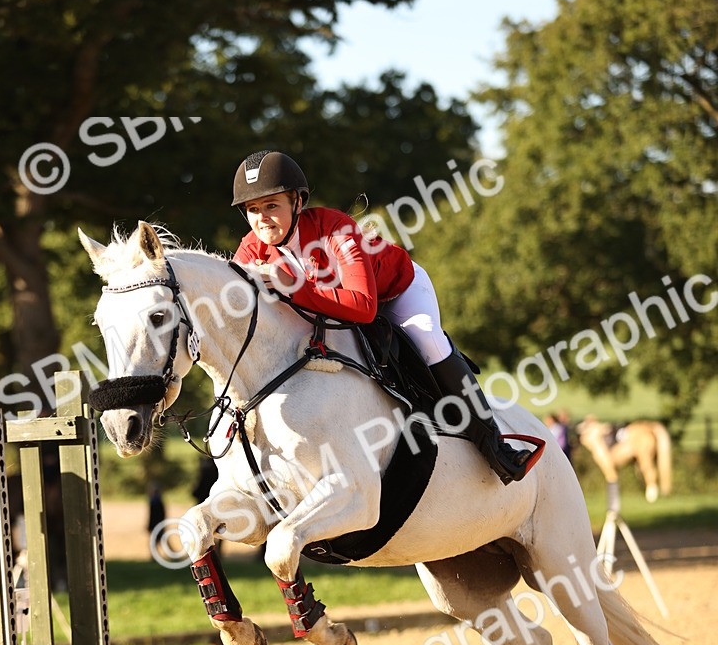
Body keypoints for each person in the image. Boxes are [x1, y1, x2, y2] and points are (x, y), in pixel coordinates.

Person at [231, 150, 543, 485]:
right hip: (333, 307)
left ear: (297, 202)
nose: (262, 218)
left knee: (427, 339)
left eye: (272, 205)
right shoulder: (250, 250)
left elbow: (364, 307)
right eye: (253, 209)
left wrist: (292, 288)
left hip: (396, 291)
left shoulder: (335, 229)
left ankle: (495, 445)